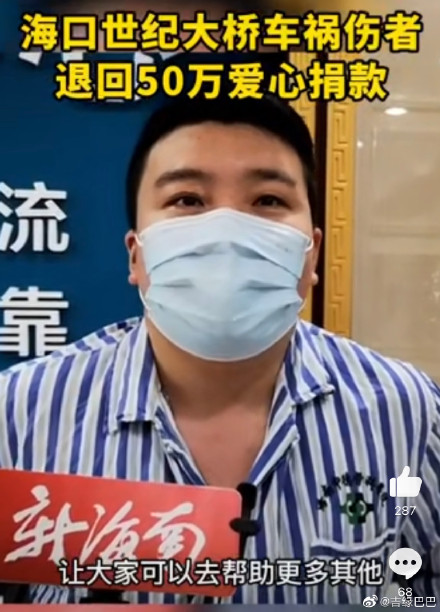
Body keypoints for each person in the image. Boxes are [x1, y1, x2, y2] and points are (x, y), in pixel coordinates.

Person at [0, 93, 439, 605]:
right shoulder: (19, 414)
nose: (227, 230)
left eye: (268, 201)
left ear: (312, 253)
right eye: (187, 200)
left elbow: (424, 585)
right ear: (136, 255)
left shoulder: (408, 413)